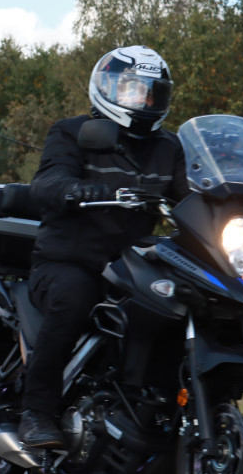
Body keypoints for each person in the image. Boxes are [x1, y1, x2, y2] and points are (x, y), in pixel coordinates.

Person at [18, 45, 191, 450]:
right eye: (133, 90)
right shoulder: (72, 132)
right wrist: (76, 188)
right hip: (68, 261)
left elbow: (191, 197)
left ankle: (165, 409)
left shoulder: (170, 147)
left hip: (133, 266)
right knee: (74, 298)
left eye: (153, 93)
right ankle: (36, 413)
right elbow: (46, 182)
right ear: (108, 88)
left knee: (184, 303)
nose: (144, 100)